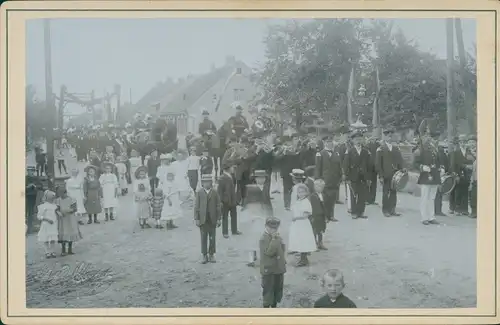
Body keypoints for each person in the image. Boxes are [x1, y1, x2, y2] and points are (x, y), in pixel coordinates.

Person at [413, 130, 444, 226]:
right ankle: (424, 217)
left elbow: (439, 160)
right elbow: (415, 164)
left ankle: (431, 217)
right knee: (425, 197)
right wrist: (422, 167)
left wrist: (442, 168)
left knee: (432, 198)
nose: (428, 138)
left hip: (435, 175)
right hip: (426, 175)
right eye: (426, 136)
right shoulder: (420, 149)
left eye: (429, 136)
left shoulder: (436, 149)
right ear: (423, 138)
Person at [375, 127, 404, 217]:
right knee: (385, 193)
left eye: (391, 136)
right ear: (385, 137)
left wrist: (402, 169)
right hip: (385, 175)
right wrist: (380, 176)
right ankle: (385, 210)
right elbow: (378, 164)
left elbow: (400, 161)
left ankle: (392, 210)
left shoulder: (396, 148)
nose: (390, 138)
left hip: (395, 175)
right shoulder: (380, 149)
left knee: (393, 192)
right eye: (388, 136)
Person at [194, 174, 221, 264]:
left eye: (208, 182)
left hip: (212, 219)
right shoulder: (199, 192)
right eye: (205, 182)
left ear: (211, 183)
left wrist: (218, 218)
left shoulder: (215, 192)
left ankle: (211, 254)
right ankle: (204, 255)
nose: (207, 184)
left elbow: (218, 206)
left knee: (212, 238)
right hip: (203, 219)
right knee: (203, 237)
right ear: (202, 183)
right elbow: (196, 206)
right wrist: (197, 218)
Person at [259, 216, 286, 308]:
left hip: (278, 269)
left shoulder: (277, 237)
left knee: (277, 289)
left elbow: (282, 249)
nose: (272, 230)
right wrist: (275, 239)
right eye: (270, 228)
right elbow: (269, 252)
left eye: (275, 228)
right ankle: (266, 308)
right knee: (268, 290)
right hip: (268, 270)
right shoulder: (263, 238)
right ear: (266, 226)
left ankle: (274, 306)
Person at [343, 131, 370, 219]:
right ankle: (354, 212)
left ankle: (361, 212)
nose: (358, 141)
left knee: (362, 195)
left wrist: (368, 177)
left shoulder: (366, 151)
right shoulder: (350, 151)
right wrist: (347, 177)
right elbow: (346, 165)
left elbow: (369, 165)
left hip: (363, 176)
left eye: (360, 139)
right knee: (353, 195)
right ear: (353, 141)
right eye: (356, 139)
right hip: (353, 176)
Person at [314, 135, 342, 222]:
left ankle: (331, 215)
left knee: (332, 199)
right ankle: (325, 216)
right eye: (327, 142)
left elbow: (339, 167)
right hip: (324, 180)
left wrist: (340, 177)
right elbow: (318, 168)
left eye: (331, 142)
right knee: (325, 199)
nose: (329, 144)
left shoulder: (336, 153)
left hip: (334, 180)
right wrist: (318, 179)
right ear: (324, 143)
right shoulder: (320, 153)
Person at [288, 183, 317, 267]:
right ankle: (302, 258)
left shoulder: (306, 202)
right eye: (299, 192)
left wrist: (296, 218)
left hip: (303, 224)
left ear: (306, 193)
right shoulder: (298, 201)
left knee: (303, 240)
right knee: (299, 240)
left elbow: (305, 216)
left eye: (302, 192)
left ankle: (304, 259)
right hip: (297, 224)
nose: (300, 194)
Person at [450, 134, 475, 216]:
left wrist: (471, 166)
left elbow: (472, 161)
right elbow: (453, 164)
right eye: (461, 142)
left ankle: (464, 209)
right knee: (458, 192)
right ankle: (457, 209)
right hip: (459, 174)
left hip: (467, 175)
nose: (463, 143)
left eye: (464, 142)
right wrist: (455, 175)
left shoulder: (469, 152)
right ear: (459, 143)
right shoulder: (455, 152)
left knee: (465, 192)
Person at [55, 185, 82, 256]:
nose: (61, 195)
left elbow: (75, 209)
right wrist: (59, 213)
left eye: (62, 194)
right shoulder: (58, 200)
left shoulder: (71, 199)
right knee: (63, 233)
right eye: (59, 194)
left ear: (65, 193)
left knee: (70, 233)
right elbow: (57, 209)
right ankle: (63, 250)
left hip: (70, 218)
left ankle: (70, 250)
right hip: (62, 219)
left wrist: (68, 211)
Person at [218, 163, 240, 238]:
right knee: (225, 216)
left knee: (234, 215)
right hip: (225, 200)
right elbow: (220, 191)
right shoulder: (222, 178)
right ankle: (225, 232)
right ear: (227, 169)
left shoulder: (232, 176)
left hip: (233, 199)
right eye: (232, 168)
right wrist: (220, 201)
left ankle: (234, 230)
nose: (233, 169)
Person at [36, 190, 59, 259]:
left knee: (52, 239)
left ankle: (52, 251)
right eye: (51, 197)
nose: (52, 199)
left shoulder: (55, 206)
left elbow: (56, 214)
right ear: (47, 198)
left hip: (53, 224)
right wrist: (47, 219)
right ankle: (47, 252)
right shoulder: (43, 206)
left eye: (53, 197)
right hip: (46, 224)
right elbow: (39, 216)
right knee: (45, 238)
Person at [309, 179, 328, 250]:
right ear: (315, 187)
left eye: (322, 187)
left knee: (321, 230)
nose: (320, 188)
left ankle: (320, 243)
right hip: (315, 215)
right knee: (315, 230)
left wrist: (326, 216)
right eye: (319, 186)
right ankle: (314, 244)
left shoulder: (322, 195)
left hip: (321, 215)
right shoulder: (313, 196)